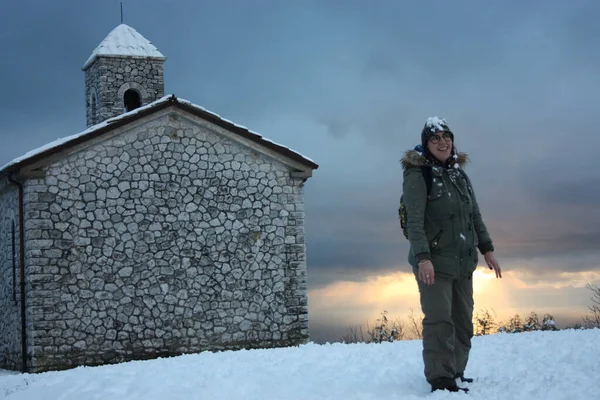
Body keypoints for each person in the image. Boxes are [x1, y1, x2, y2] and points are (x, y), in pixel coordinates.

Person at [400, 117, 502, 393]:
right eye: (435, 138)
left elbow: (474, 215)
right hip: (433, 263)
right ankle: (440, 378)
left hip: (462, 262)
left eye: (446, 137)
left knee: (462, 323)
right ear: (426, 144)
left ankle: (456, 370)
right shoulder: (418, 175)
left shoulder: (459, 174)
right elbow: (414, 221)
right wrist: (423, 257)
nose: (442, 142)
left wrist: (487, 249)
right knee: (439, 322)